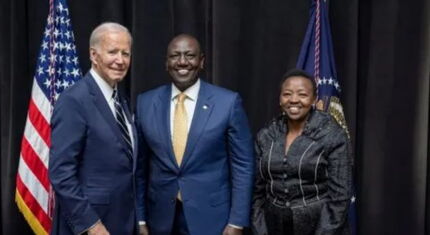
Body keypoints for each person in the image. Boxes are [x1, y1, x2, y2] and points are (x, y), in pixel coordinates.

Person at [136, 34, 255, 235]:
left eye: (190, 55)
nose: (182, 62)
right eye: (175, 56)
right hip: (160, 218)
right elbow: (140, 167)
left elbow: (243, 165)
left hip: (212, 218)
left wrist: (237, 222)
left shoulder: (227, 103)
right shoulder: (145, 103)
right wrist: (140, 218)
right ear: (166, 63)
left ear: (201, 62)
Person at [49, 22, 140, 235]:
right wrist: (91, 225)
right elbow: (61, 172)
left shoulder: (121, 101)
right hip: (91, 227)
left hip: (123, 222)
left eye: (125, 53)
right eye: (113, 52)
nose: (120, 60)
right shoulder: (74, 100)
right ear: (93, 54)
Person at [251, 69, 353, 235]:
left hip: (321, 226)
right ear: (280, 99)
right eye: (287, 94)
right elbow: (257, 192)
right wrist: (260, 228)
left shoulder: (332, 135)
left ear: (313, 99)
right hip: (274, 225)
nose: (294, 100)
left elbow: (340, 197)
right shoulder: (266, 135)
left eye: (302, 94)